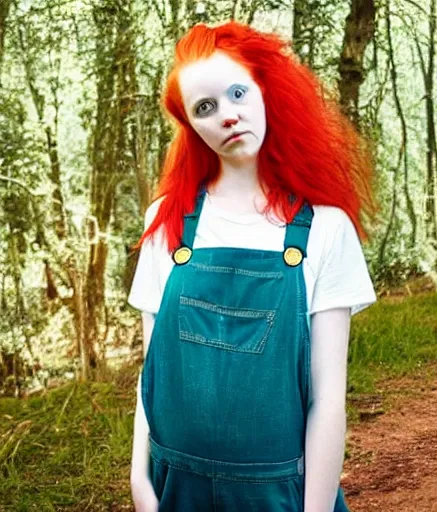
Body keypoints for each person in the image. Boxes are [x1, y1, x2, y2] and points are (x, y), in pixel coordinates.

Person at [127, 21, 376, 512]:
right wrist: (141, 483)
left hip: (280, 494)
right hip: (175, 487)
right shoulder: (168, 220)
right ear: (192, 126)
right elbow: (150, 371)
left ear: (266, 89)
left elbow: (328, 400)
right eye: (205, 107)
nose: (227, 116)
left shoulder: (326, 227)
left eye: (237, 92)